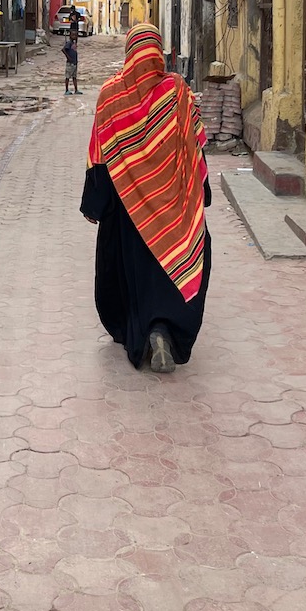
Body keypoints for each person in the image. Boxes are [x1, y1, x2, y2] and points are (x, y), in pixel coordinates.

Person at [80, 24, 211, 374]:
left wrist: (95, 203)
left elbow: (100, 152)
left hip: (128, 209)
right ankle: (164, 329)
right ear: (158, 52)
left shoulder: (110, 94)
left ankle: (141, 330)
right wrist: (203, 191)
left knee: (128, 269)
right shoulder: (176, 91)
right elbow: (194, 144)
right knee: (178, 261)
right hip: (175, 209)